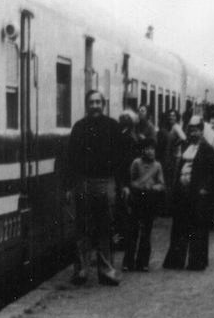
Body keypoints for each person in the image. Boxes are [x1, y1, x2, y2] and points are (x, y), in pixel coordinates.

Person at [67, 90, 124, 286]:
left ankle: (106, 270)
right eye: (91, 102)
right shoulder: (79, 128)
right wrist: (69, 185)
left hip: (106, 181)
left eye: (98, 102)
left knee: (105, 227)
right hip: (83, 182)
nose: (95, 106)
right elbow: (70, 158)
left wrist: (120, 184)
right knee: (82, 227)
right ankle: (81, 270)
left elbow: (121, 159)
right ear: (86, 105)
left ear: (104, 104)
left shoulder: (113, 127)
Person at [163, 116, 214, 271]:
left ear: (201, 131)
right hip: (182, 193)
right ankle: (176, 260)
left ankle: (197, 262)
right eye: (191, 130)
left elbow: (213, 174)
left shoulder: (207, 149)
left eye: (196, 131)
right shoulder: (186, 145)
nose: (193, 134)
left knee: (197, 228)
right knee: (179, 226)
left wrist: (205, 189)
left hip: (198, 195)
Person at [124, 138, 165, 272]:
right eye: (148, 149)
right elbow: (130, 180)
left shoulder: (157, 166)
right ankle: (128, 262)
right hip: (136, 199)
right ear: (142, 150)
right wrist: (138, 186)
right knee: (132, 231)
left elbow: (161, 183)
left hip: (149, 200)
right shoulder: (136, 163)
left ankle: (143, 262)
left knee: (146, 232)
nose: (150, 151)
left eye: (152, 149)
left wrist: (154, 187)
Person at [114, 109, 140, 251]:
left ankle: (123, 241)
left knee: (122, 210)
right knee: (127, 210)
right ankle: (126, 240)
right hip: (131, 179)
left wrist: (123, 183)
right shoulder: (133, 136)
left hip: (125, 180)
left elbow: (123, 162)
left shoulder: (125, 137)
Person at [156, 109, 186, 214]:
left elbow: (184, 138)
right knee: (170, 182)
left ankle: (169, 207)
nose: (171, 117)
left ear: (177, 117)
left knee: (172, 182)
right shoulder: (172, 127)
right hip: (173, 157)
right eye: (170, 116)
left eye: (173, 116)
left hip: (176, 157)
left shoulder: (176, 127)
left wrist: (175, 145)